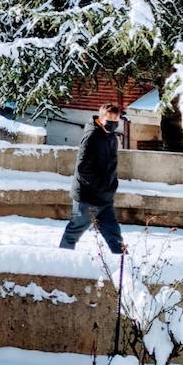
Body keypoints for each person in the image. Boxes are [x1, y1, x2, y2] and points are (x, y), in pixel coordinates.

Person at [59, 102, 124, 254]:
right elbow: (83, 169)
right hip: (88, 198)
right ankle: (61, 264)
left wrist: (112, 185)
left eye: (116, 121)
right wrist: (101, 186)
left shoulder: (112, 138)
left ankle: (124, 270)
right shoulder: (91, 137)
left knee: (114, 236)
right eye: (109, 121)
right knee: (73, 233)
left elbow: (111, 165)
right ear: (100, 119)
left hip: (105, 198)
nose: (113, 124)